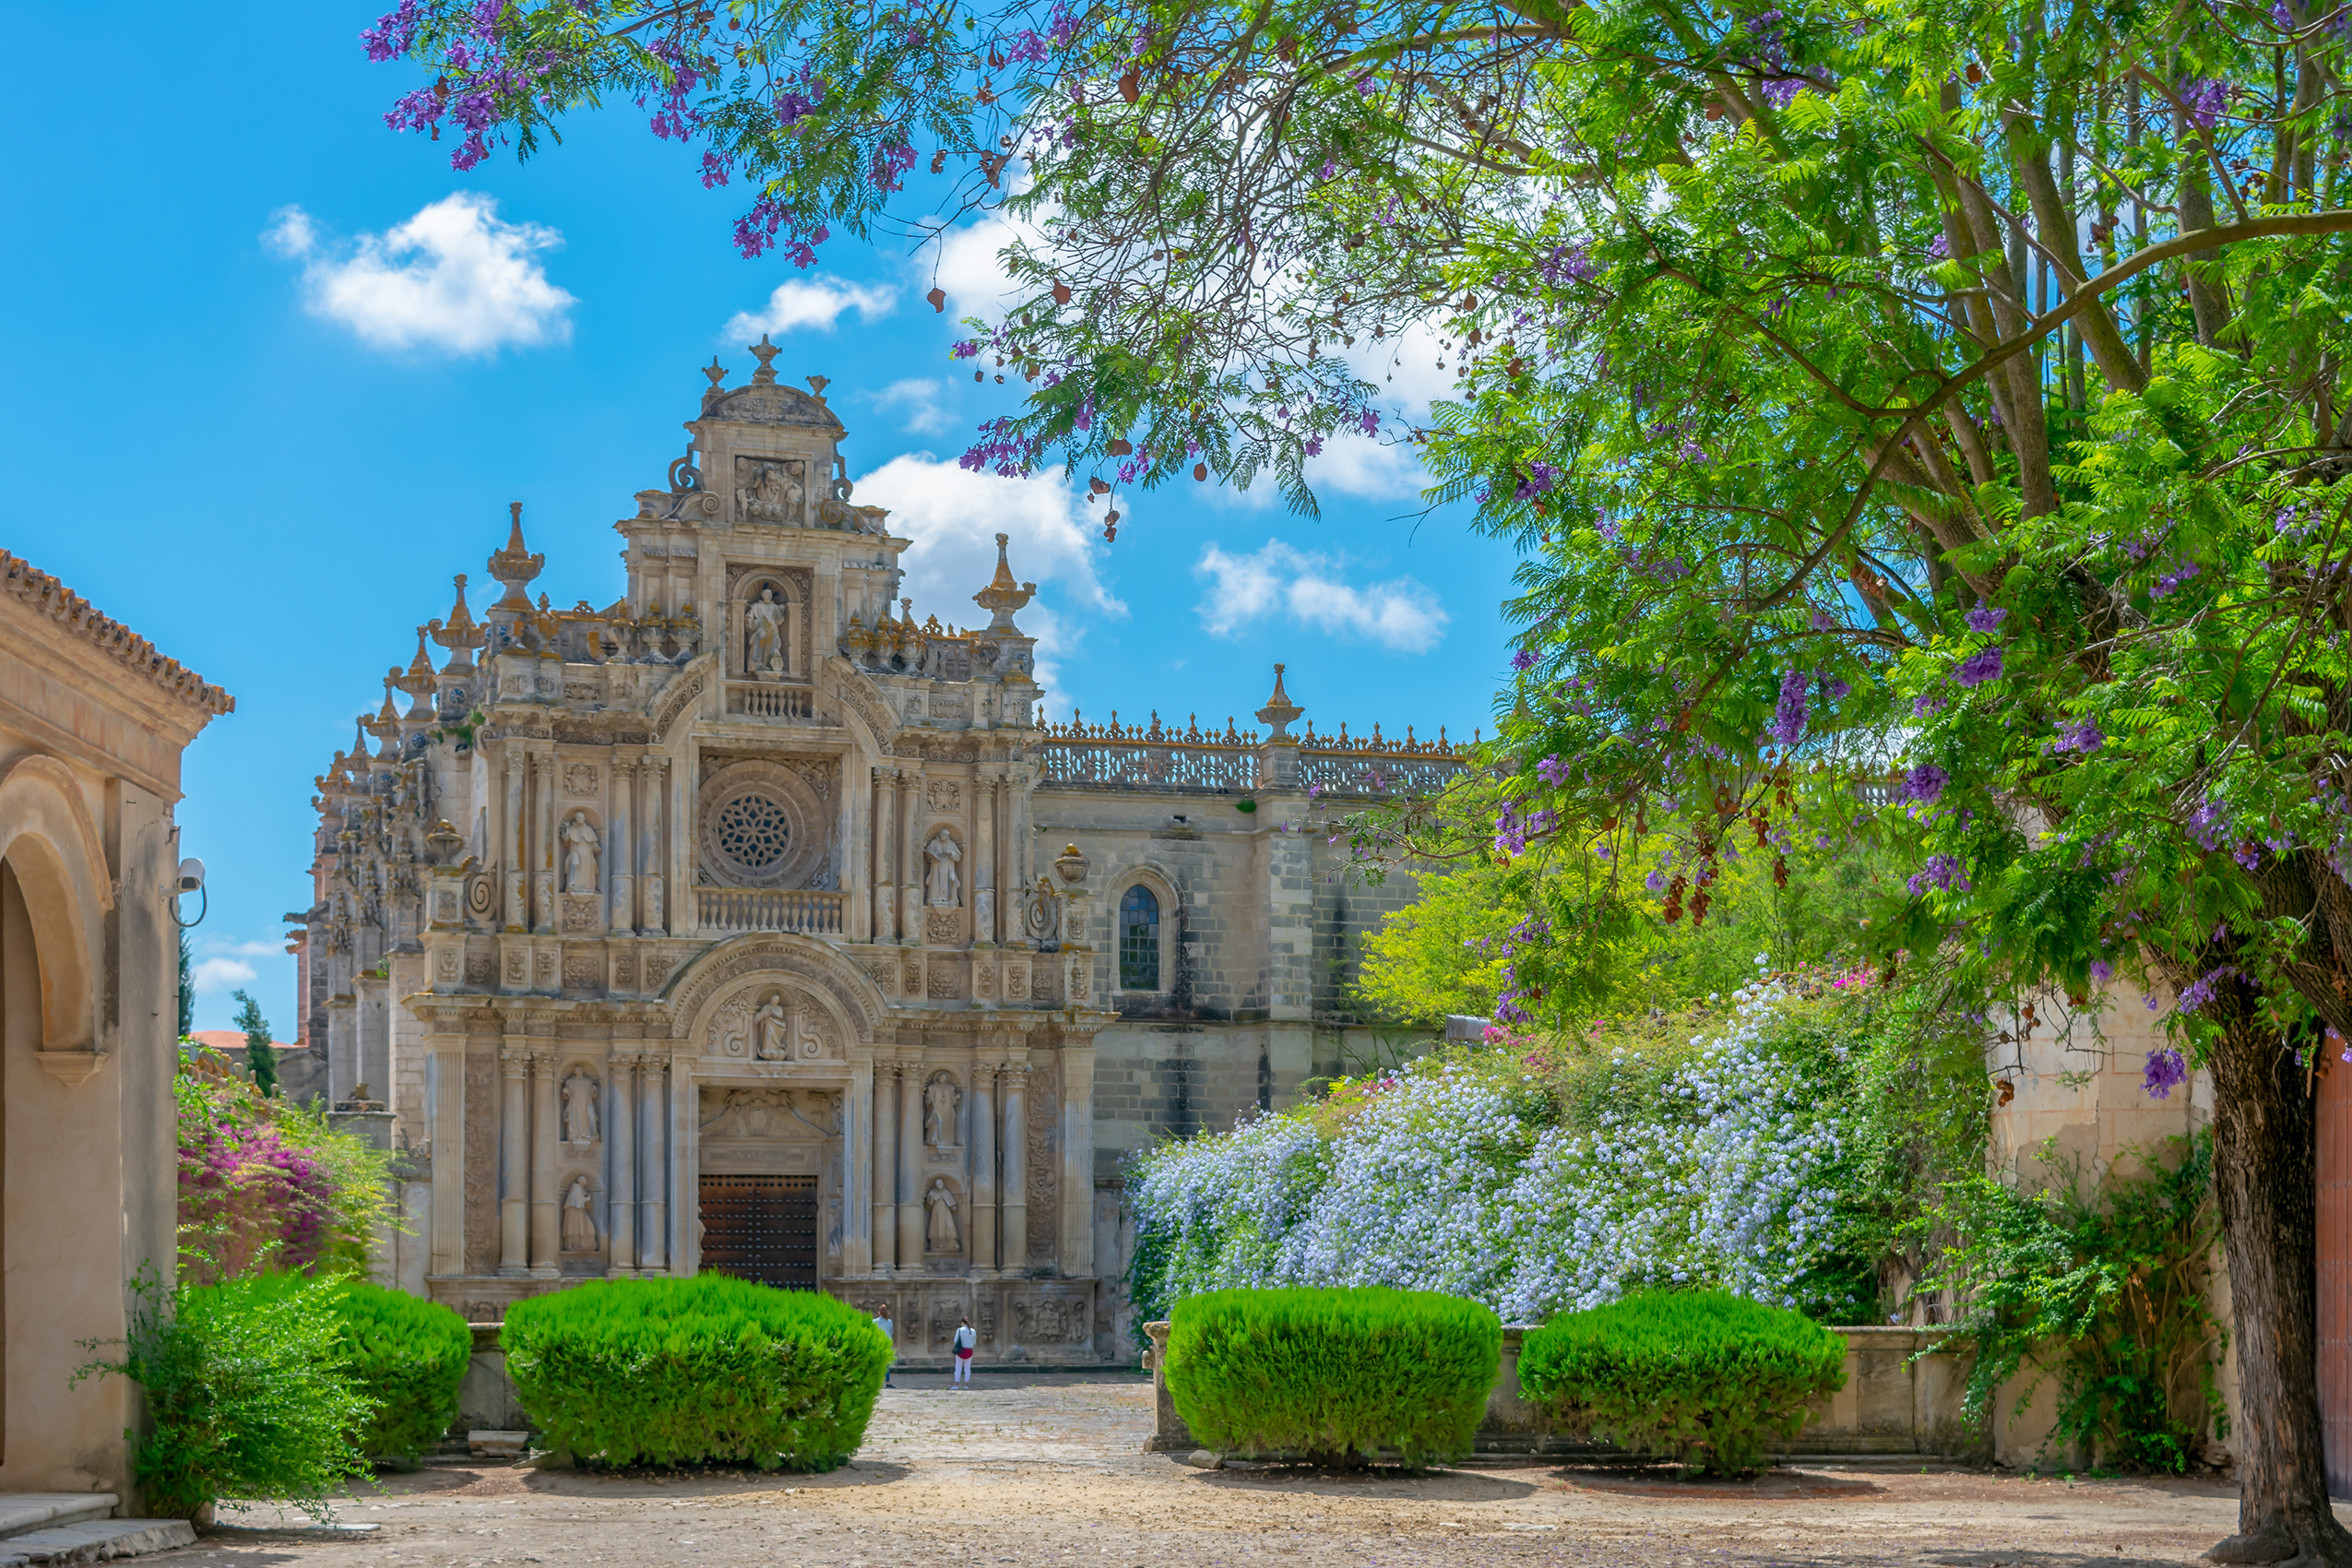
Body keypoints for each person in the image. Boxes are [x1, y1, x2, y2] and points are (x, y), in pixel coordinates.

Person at [951, 1315, 977, 1387]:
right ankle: (966, 1385)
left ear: (962, 1322)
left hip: (961, 1351)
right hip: (969, 1351)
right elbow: (974, 1342)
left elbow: (955, 1340)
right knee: (967, 1368)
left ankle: (956, 1384)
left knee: (958, 1368)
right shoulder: (973, 1331)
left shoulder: (959, 1330)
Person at [873, 1309, 895, 1388]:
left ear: (879, 1312)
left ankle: (876, 1381)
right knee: (886, 1364)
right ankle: (888, 1381)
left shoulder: (874, 1321)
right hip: (887, 1344)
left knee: (877, 1363)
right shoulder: (889, 1321)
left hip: (878, 1343)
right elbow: (891, 1333)